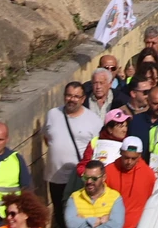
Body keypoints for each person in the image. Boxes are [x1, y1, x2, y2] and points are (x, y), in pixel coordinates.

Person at [44, 82, 101, 217]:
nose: (72, 99)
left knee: (78, 214)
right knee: (59, 214)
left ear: (83, 99)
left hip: (79, 179)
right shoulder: (52, 114)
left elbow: (97, 149)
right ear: (64, 97)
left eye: (76, 96)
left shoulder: (94, 120)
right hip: (56, 177)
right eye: (69, 95)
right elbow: (47, 138)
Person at [101, 141, 153, 228]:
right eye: (126, 157)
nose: (129, 162)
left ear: (140, 155)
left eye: (133, 158)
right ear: (120, 152)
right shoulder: (108, 171)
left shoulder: (148, 174)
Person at [62, 163, 121, 228]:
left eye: (94, 178)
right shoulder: (74, 197)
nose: (89, 181)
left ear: (104, 178)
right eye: (86, 177)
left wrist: (83, 220)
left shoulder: (115, 197)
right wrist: (97, 221)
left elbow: (116, 225)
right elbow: (71, 224)